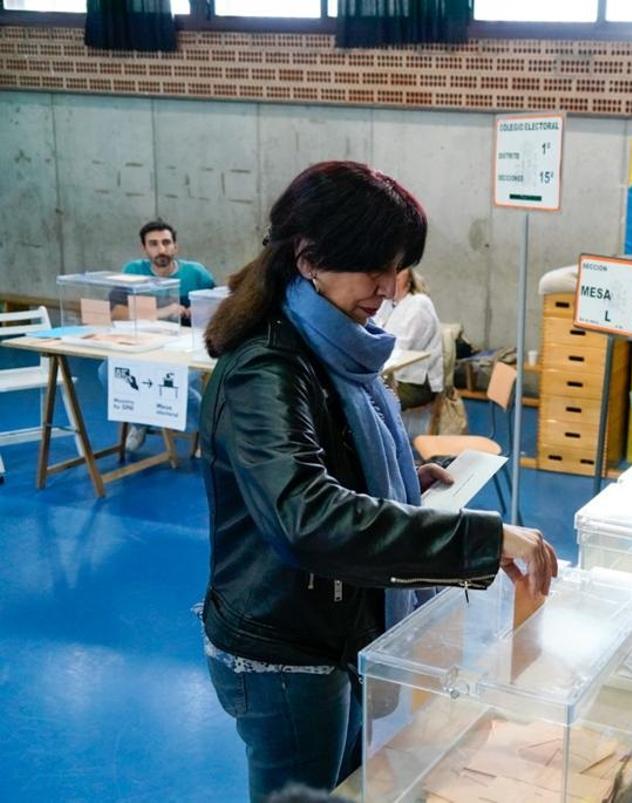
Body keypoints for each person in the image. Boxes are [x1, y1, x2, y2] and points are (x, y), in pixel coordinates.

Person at [198, 160, 558, 803]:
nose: (392, 290)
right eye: (377, 268)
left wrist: (387, 476)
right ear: (309, 258)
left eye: (398, 269)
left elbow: (319, 461)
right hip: (287, 650)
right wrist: (479, 539)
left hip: (337, 628)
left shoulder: (333, 346)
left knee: (345, 783)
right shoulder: (267, 369)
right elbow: (305, 516)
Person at [98, 220, 215, 451]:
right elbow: (117, 313)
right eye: (153, 244)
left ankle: (206, 432)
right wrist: (164, 311)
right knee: (106, 372)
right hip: (142, 346)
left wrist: (199, 311)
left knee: (172, 379)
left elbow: (218, 307)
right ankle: (139, 422)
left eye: (166, 242)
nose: (161, 249)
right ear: (144, 248)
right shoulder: (133, 271)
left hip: (185, 349)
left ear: (175, 247)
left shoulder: (196, 273)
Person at [376, 267, 443, 410]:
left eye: (397, 278)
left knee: (372, 404)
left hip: (417, 383)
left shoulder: (419, 304)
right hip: (394, 376)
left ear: (409, 280)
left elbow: (401, 346)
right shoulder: (388, 304)